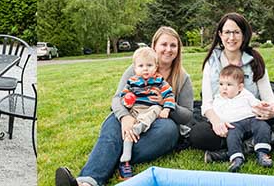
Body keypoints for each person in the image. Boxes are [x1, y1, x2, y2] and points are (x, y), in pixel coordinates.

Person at [55, 27, 194, 186]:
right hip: (132, 115)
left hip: (159, 125)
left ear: (178, 49)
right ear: (154, 46)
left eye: (173, 45)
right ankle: (87, 182)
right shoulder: (137, 68)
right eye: (164, 44)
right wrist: (125, 117)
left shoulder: (182, 77)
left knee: (169, 129)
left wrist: (166, 104)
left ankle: (111, 157)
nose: (168, 49)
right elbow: (117, 99)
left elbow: (188, 115)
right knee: (114, 123)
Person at [189, 12, 274, 164]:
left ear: (244, 35)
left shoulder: (255, 60)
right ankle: (266, 143)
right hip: (227, 123)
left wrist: (272, 110)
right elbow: (207, 103)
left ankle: (231, 151)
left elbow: (270, 98)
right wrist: (216, 122)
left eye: (236, 32)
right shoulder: (212, 61)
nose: (232, 37)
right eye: (227, 32)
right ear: (220, 35)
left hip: (254, 120)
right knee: (198, 134)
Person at [118, 47, 175, 179]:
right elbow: (124, 95)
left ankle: (140, 127)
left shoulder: (159, 81)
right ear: (135, 68)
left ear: (155, 67)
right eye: (141, 66)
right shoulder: (132, 81)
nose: (145, 69)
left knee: (156, 109)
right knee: (129, 129)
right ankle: (125, 159)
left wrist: (166, 109)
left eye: (149, 65)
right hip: (135, 109)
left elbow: (169, 95)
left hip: (150, 110)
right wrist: (127, 102)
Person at [209, 65, 273, 172]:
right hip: (234, 124)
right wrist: (222, 122)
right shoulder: (218, 99)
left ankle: (262, 153)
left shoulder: (245, 94)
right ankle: (236, 157)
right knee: (232, 136)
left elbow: (254, 103)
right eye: (221, 84)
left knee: (263, 126)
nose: (224, 88)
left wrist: (262, 105)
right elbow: (217, 114)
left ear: (240, 87)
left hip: (251, 119)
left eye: (229, 84)